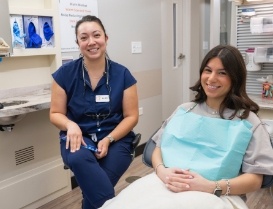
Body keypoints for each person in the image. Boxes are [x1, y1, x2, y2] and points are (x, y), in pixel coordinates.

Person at [99, 45, 273, 209]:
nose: (212, 78)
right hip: (163, 183)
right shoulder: (184, 110)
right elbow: (158, 147)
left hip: (215, 194)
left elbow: (256, 179)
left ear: (235, 78)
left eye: (222, 73)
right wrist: (162, 172)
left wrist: (211, 186)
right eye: (208, 70)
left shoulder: (248, 121)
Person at [49, 15, 139, 209]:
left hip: (116, 139)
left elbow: (132, 116)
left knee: (93, 190)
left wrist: (109, 139)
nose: (91, 42)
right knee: (79, 158)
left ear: (105, 38)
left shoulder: (123, 74)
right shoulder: (64, 74)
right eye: (84, 37)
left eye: (96, 35)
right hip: (78, 138)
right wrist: (70, 125)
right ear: (78, 43)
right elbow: (55, 113)